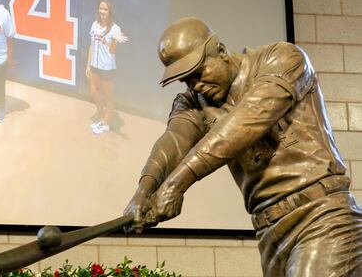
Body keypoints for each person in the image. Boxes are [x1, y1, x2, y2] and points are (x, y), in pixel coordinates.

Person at [124, 17, 362, 277]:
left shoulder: (282, 58)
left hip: (322, 217)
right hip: (270, 233)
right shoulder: (193, 102)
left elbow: (244, 124)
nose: (196, 85)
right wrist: (144, 190)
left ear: (222, 51)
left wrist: (176, 184)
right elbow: (173, 141)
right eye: (187, 80)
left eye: (199, 73)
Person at [84, 0, 128, 135]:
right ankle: (102, 116)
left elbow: (112, 51)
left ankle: (106, 123)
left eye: (105, 9)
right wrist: (88, 65)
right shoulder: (94, 25)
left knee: (108, 97)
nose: (102, 11)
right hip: (94, 66)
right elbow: (91, 46)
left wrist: (113, 40)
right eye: (101, 9)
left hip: (107, 68)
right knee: (93, 92)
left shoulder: (115, 29)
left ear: (110, 12)